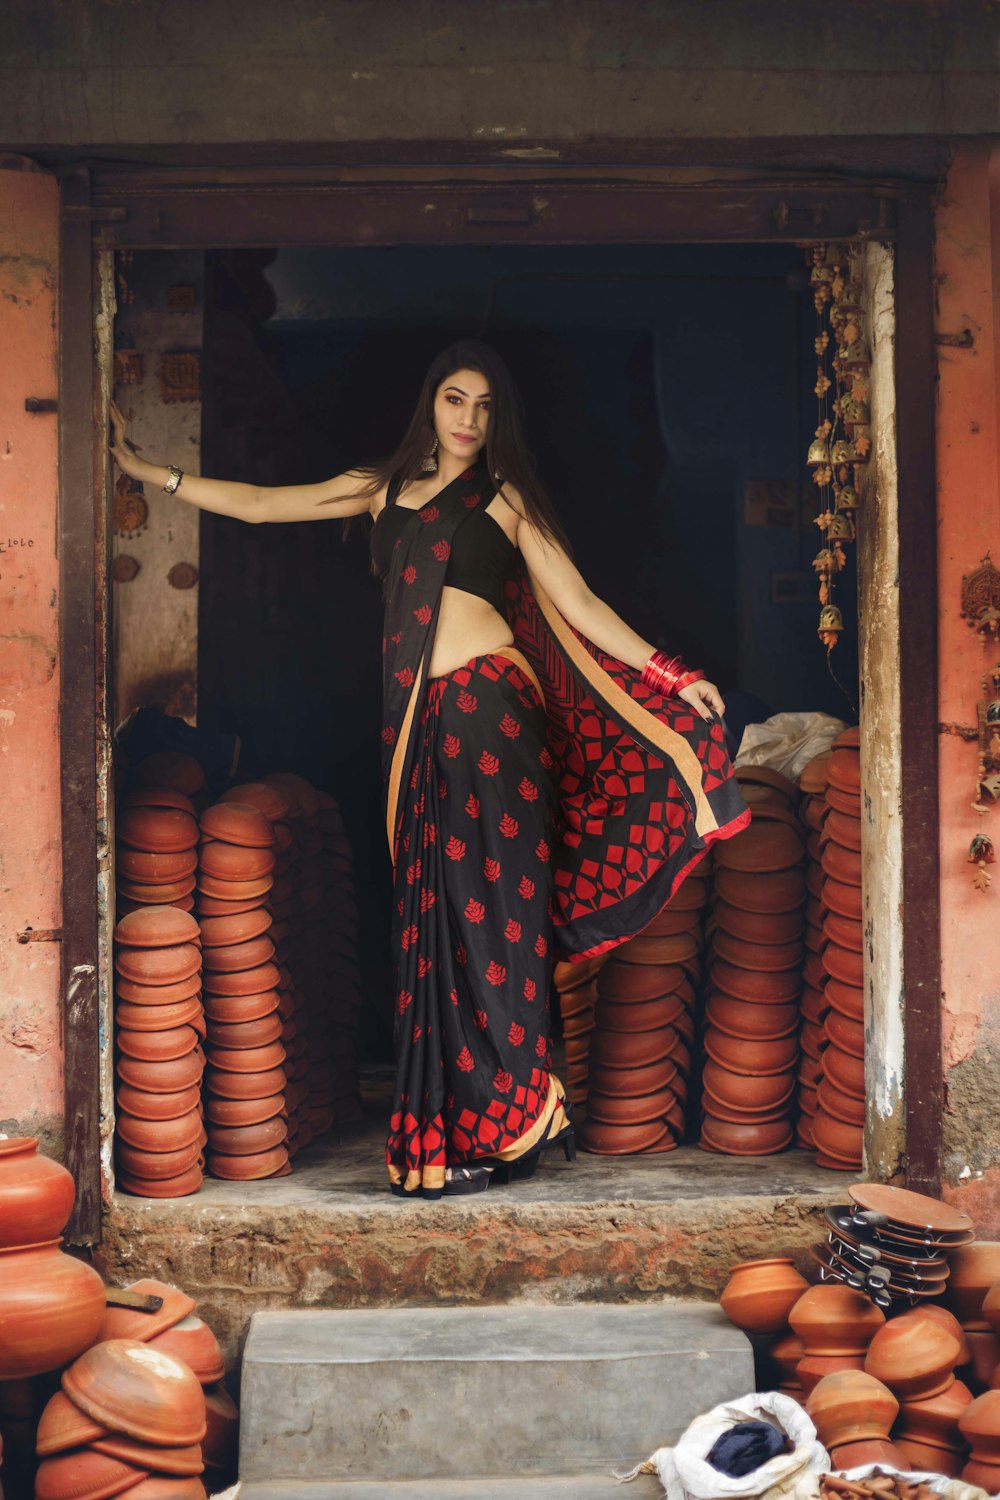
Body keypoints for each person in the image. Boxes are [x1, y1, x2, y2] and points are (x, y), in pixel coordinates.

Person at [109, 339, 749, 1201]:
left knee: (495, 913)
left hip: (493, 721)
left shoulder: (506, 498)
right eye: (456, 400)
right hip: (421, 726)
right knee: (433, 916)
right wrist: (152, 472)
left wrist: (673, 676)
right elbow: (262, 505)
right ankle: (450, 1131)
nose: (469, 420)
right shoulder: (381, 487)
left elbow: (580, 602)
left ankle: (511, 1112)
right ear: (431, 404)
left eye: (485, 407)